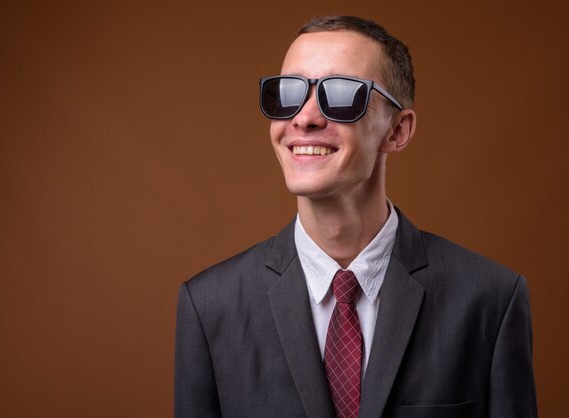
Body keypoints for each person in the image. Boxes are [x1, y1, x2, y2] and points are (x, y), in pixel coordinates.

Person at [174, 15, 537, 418]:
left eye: (341, 94)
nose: (304, 118)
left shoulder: (490, 300)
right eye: (287, 93)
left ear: (397, 131)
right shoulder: (208, 307)